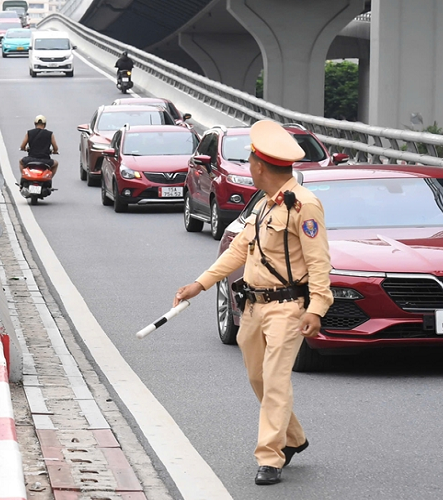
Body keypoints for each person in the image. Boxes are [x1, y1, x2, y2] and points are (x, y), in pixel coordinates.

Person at [173, 119, 333, 486]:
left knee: (276, 380)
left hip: (288, 308)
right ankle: (293, 437)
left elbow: (319, 262)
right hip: (253, 307)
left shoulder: (304, 206)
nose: (249, 169)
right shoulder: (263, 205)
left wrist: (317, 308)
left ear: (260, 166)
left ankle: (270, 457)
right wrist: (199, 284)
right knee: (257, 377)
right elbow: (239, 250)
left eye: (250, 164)